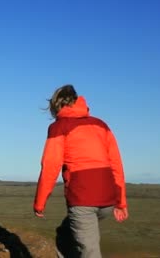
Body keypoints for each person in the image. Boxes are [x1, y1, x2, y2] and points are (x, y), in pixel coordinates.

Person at [33, 84, 128, 258]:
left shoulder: (59, 127)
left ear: (56, 105)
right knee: (65, 235)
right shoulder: (101, 125)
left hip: (83, 200)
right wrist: (121, 202)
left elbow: (50, 166)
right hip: (108, 200)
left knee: (90, 252)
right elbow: (116, 165)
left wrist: (39, 203)